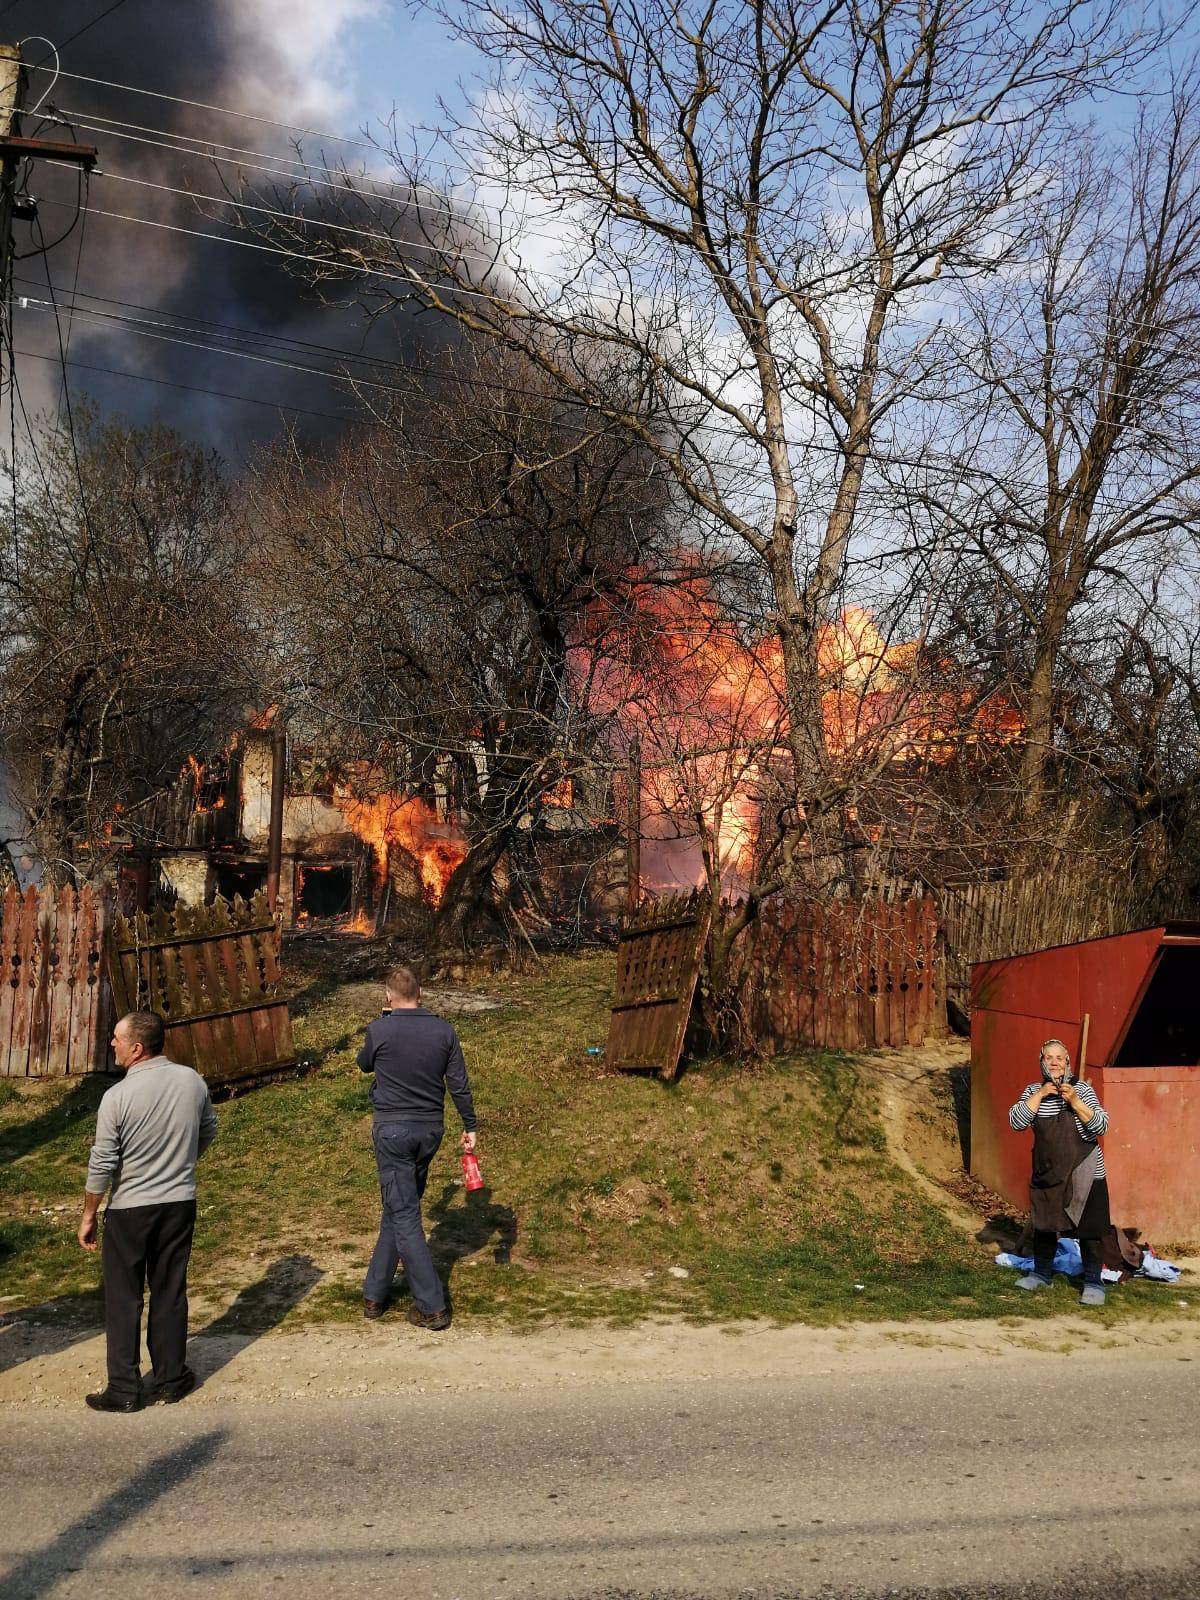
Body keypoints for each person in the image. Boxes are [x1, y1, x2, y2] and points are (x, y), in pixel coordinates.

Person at [77, 1010, 218, 1411]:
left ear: (136, 1047)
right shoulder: (192, 1080)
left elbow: (103, 1161)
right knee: (169, 1289)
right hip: (179, 1202)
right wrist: (181, 1163)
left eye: (117, 1038)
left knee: (124, 1297)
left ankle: (123, 1388)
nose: (112, 1044)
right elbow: (209, 1128)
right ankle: (171, 1379)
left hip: (130, 1210)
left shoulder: (117, 1097)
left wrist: (89, 1213)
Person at [358, 965, 478, 1330]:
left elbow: (364, 1065)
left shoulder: (379, 1029)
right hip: (429, 1131)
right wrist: (470, 1125)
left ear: (388, 998)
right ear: (421, 993)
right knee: (400, 1207)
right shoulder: (444, 1031)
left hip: (393, 1131)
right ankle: (374, 1294)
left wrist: (382, 1025)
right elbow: (458, 1083)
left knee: (405, 1213)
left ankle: (432, 1306)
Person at [1008, 1038, 1111, 1306]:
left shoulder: (1083, 1091)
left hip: (1085, 1171)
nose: (1054, 1062)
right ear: (1041, 1063)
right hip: (1048, 1171)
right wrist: (1041, 1095)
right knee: (1043, 1225)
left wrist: (1075, 1101)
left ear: (1067, 1062)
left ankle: (1092, 1282)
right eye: (1048, 1058)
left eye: (1059, 1058)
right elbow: (1016, 1122)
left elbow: (1101, 1127)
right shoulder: (1033, 1091)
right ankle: (1041, 1273)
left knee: (1090, 1230)